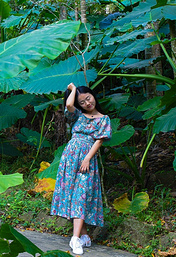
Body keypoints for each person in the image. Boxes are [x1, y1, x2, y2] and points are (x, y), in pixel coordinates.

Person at [50, 82, 112, 255]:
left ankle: (75, 239)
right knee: (73, 195)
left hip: (87, 159)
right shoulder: (77, 115)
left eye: (88, 98)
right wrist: (73, 90)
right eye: (82, 102)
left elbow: (99, 140)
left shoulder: (104, 119)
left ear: (93, 95)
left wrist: (87, 158)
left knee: (81, 196)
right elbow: (69, 104)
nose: (87, 103)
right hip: (70, 157)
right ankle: (83, 235)